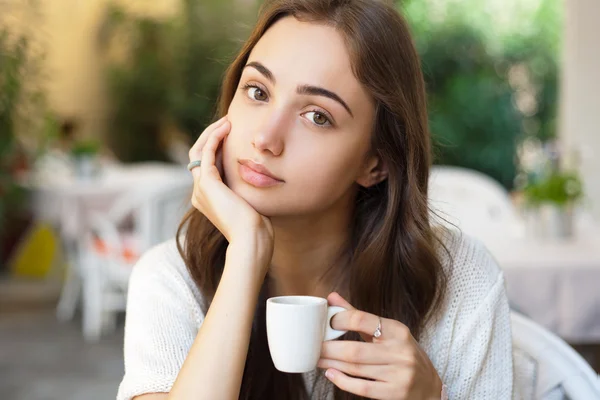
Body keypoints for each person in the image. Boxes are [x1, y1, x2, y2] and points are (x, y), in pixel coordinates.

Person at [117, 0, 514, 399]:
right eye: (257, 91)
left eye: (317, 116)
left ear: (375, 163)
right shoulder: (171, 278)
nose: (265, 139)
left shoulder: (460, 280)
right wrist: (247, 251)